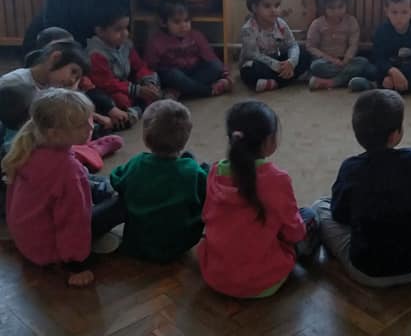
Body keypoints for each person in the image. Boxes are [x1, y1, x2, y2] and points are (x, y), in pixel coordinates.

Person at [2, 89, 122, 287]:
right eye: (81, 124)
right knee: (122, 202)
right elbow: (74, 221)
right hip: (51, 250)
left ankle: (103, 187)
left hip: (28, 240)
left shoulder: (28, 146)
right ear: (54, 134)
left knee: (89, 182)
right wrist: (77, 265)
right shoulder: (68, 171)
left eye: (89, 119)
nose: (91, 126)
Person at [198, 101, 318, 298]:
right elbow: (294, 232)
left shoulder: (214, 171)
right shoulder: (277, 179)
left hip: (216, 275)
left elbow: (207, 216)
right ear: (269, 140)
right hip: (263, 281)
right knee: (310, 215)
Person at [313, 89, 411, 287]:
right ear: (395, 135)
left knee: (319, 206)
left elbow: (340, 214)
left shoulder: (351, 167)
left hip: (367, 270)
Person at [110, 100, 207, 262]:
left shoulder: (137, 162)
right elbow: (206, 198)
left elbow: (116, 179)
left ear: (145, 138)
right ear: (186, 137)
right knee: (198, 168)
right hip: (178, 245)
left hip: (137, 244)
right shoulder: (193, 172)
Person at [144, 0, 231, 99]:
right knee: (174, 75)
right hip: (173, 75)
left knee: (216, 66)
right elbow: (150, 66)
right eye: (177, 22)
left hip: (194, 72)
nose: (183, 26)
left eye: (186, 20)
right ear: (163, 23)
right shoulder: (156, 41)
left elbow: (210, 57)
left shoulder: (196, 35)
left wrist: (225, 75)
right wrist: (151, 84)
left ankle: (180, 91)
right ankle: (208, 90)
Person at [86, 8, 160, 121]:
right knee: (121, 100)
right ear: (100, 31)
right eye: (118, 29)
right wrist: (137, 90)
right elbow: (106, 83)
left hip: (126, 85)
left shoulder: (126, 45)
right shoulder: (95, 53)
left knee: (153, 80)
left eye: (126, 28)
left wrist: (148, 83)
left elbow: (139, 66)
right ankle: (136, 110)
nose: (125, 33)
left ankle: (140, 108)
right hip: (106, 91)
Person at [239, 0, 311, 93]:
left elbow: (292, 45)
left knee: (304, 52)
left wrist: (291, 62)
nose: (273, 10)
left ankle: (274, 82)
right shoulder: (248, 29)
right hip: (259, 63)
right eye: (267, 6)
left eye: (277, 5)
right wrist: (278, 67)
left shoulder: (281, 24)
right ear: (254, 8)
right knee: (248, 71)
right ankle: (285, 80)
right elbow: (253, 55)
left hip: (277, 60)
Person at [305, 0, 370, 91]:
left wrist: (346, 60)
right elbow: (311, 46)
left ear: (346, 4)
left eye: (340, 6)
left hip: (345, 61)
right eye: (331, 8)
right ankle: (344, 79)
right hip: (326, 62)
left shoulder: (351, 21)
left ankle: (331, 82)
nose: (337, 11)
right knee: (315, 66)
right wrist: (331, 60)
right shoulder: (317, 24)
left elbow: (353, 45)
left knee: (363, 63)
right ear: (323, 7)